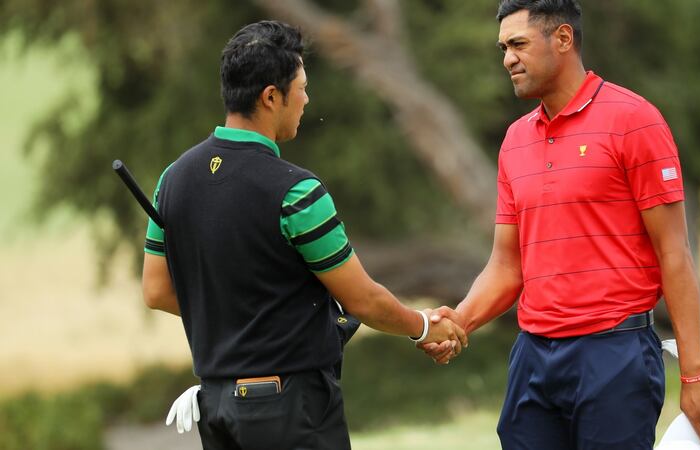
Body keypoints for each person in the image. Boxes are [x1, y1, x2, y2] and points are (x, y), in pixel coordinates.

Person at [141, 20, 466, 450]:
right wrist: (424, 326)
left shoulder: (171, 180)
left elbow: (156, 291)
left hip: (216, 405)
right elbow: (363, 300)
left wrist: (234, 322)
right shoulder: (295, 191)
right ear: (271, 97)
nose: (307, 99)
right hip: (290, 410)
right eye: (302, 87)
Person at [421, 1, 700, 448]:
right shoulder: (515, 140)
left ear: (563, 39)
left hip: (615, 353)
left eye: (519, 44)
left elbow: (673, 254)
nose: (508, 58)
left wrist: (695, 373)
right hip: (533, 355)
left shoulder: (634, 121)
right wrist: (460, 321)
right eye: (504, 47)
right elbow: (508, 266)